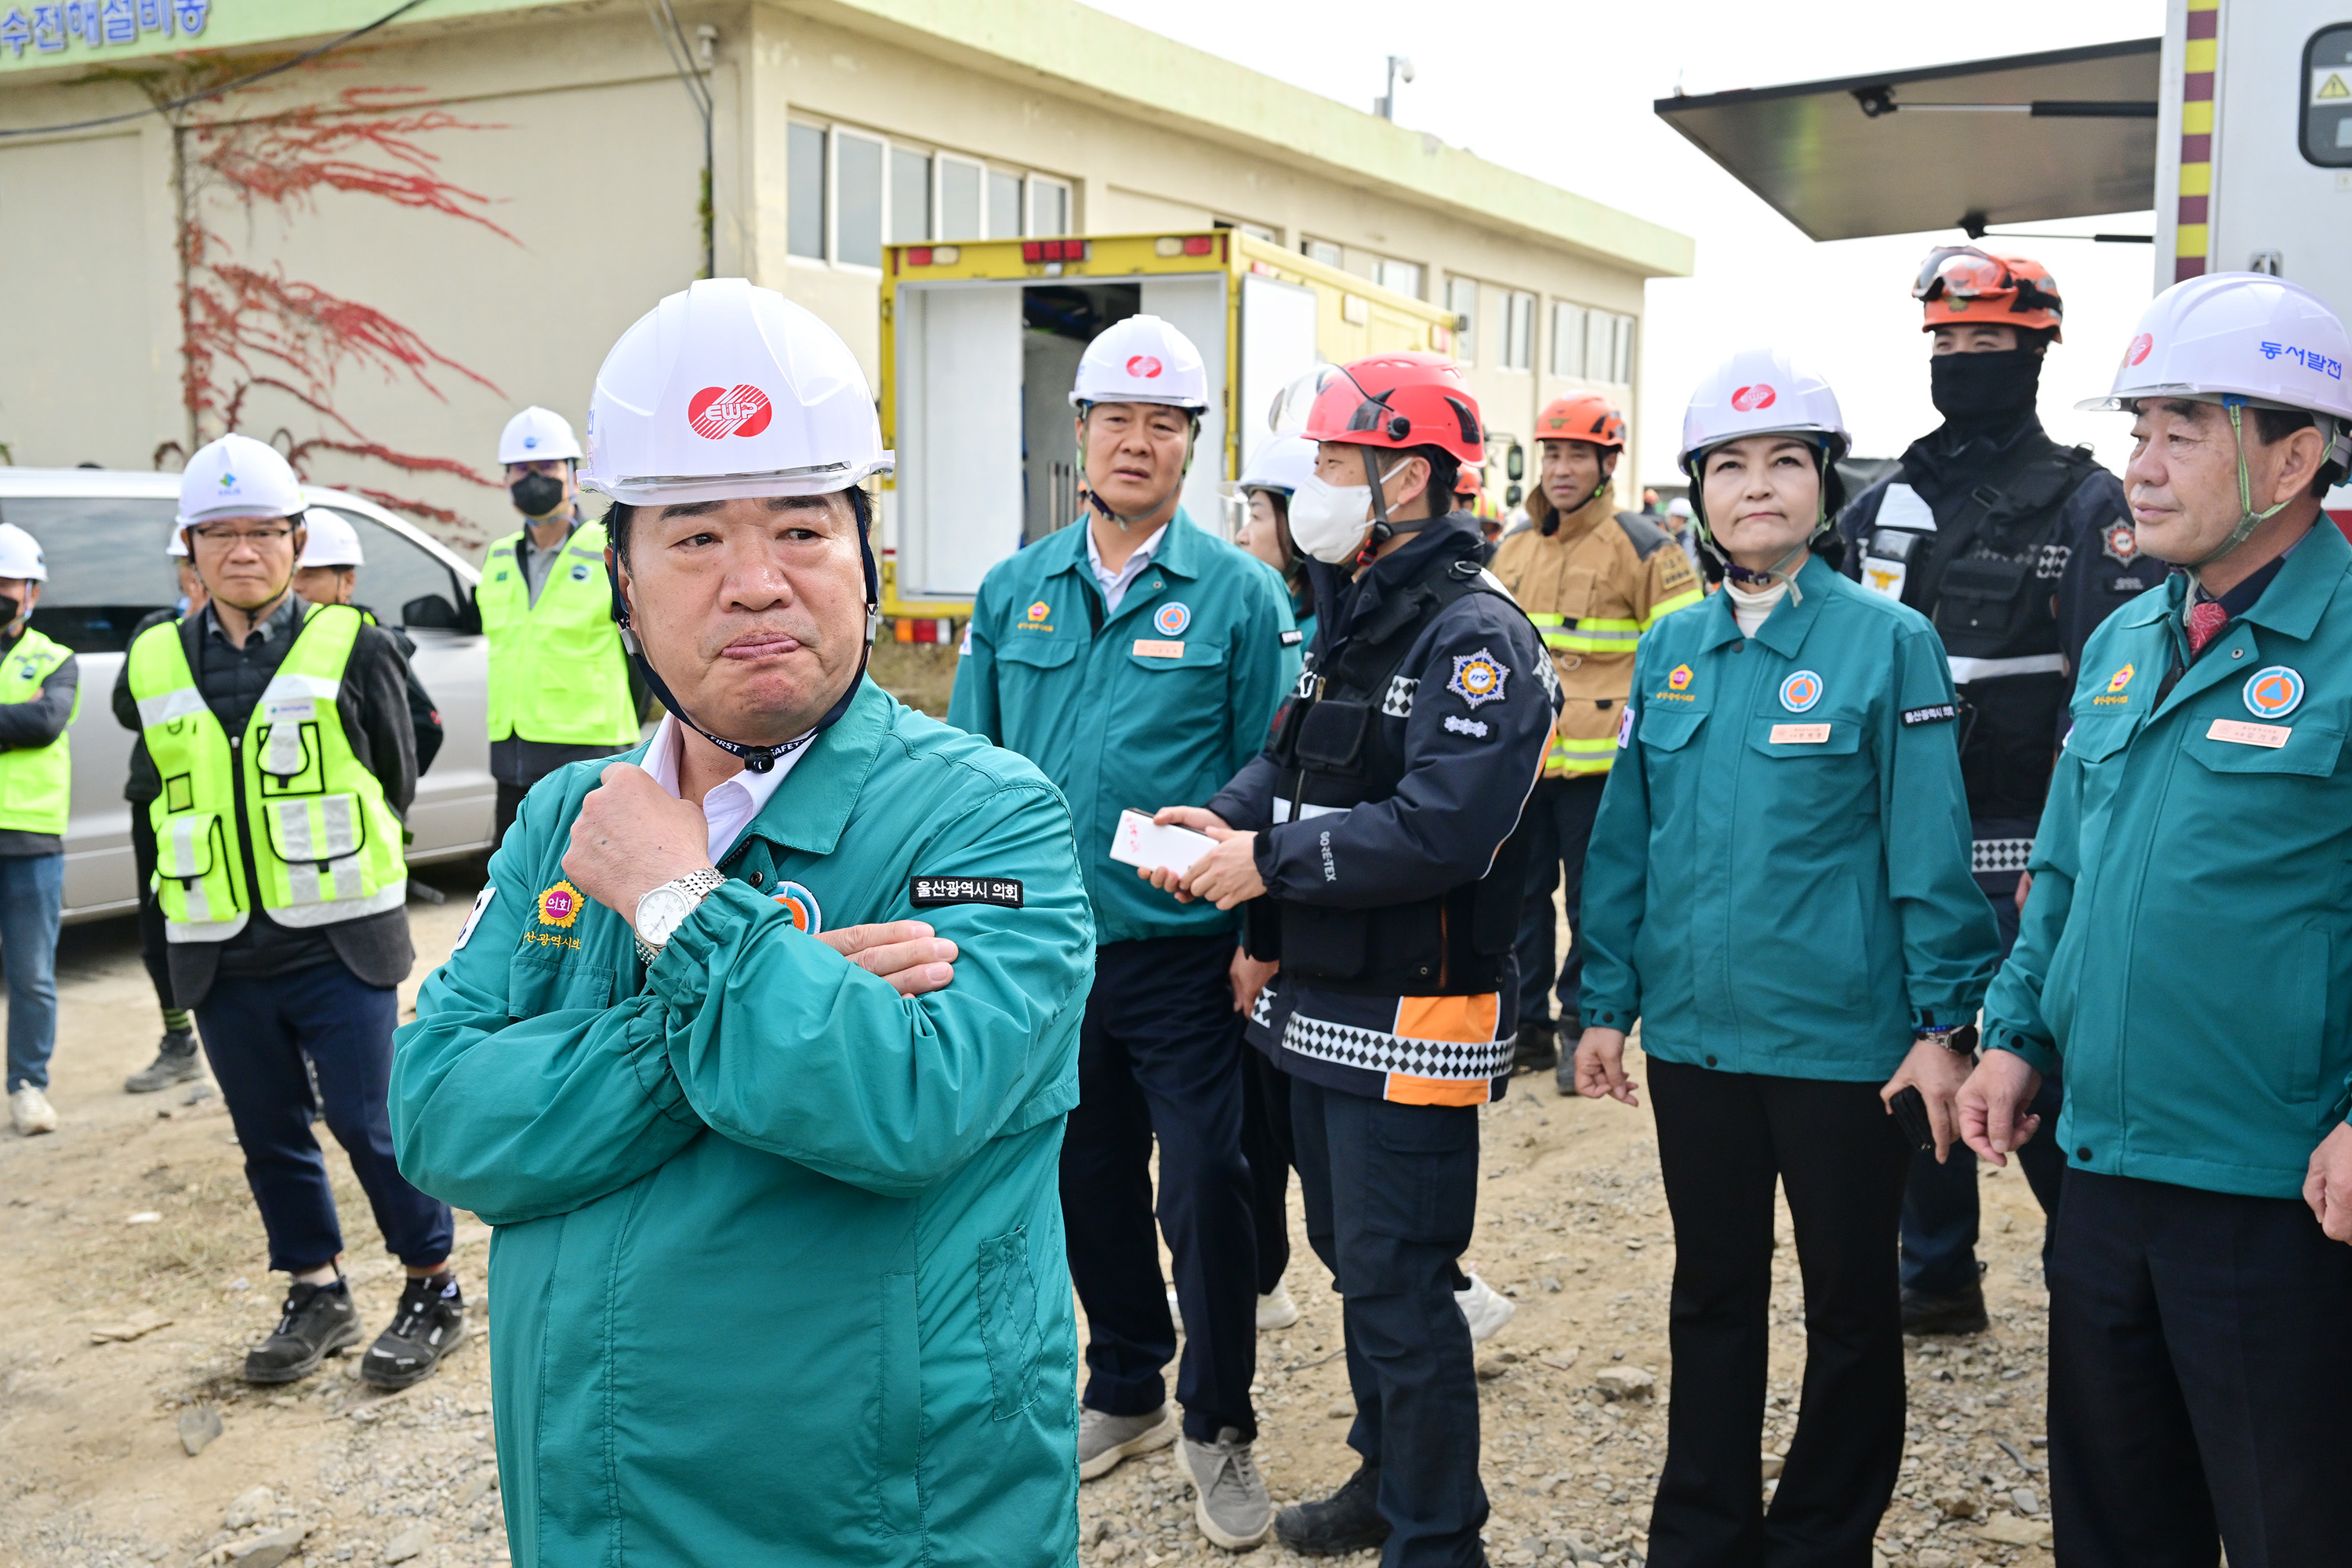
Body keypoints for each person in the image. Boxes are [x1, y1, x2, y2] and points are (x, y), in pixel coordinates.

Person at [391, 278, 1094, 1567]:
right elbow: (438, 1114)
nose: (757, 583)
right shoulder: (566, 816)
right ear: (626, 582)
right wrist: (742, 1008)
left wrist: (679, 906)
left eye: (802, 531)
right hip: (599, 1511)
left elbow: (900, 1106)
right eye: (698, 537)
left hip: (885, 1526)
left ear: (866, 567)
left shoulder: (988, 817)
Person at [1573, 347, 2001, 1568]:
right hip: (1700, 1045)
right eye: (1730, 466)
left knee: (1853, 1311)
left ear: (1824, 485)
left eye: (1784, 464)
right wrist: (1605, 1000)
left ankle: (1821, 1539)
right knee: (1711, 1295)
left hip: (1844, 1049)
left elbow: (1929, 850)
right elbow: (1626, 842)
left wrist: (1942, 1030)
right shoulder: (1669, 649)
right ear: (1698, 490)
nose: (1756, 487)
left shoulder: (1889, 642)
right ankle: (1701, 1535)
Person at [1961, 273, 2352, 1568]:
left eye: (2185, 428)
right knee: (2120, 1528)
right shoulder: (2132, 635)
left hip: (2277, 1191)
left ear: (2294, 456)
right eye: (2138, 430)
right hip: (2106, 1170)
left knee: (2294, 1524)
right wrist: (2015, 1035)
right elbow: (2063, 870)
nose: (2142, 463)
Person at [1146, 351, 1560, 1565]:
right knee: (1353, 1262)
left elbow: (1445, 825)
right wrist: (1219, 818)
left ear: (1410, 478)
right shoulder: (1360, 611)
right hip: (1321, 1011)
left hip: (1417, 1014)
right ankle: (1390, 1481)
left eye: (1334, 463)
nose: (1312, 487)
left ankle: (1438, 1541)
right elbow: (1295, 759)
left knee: (1399, 1284)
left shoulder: (1477, 638)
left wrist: (1266, 861)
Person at [948, 313, 1295, 1551]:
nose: (1137, 443)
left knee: (1207, 1182)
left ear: (1192, 446)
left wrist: (1264, 931)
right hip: (1049, 958)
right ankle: (1130, 1387)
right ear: (1080, 435)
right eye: (1116, 421)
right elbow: (973, 772)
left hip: (1184, 958)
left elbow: (1274, 770)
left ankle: (1220, 1421)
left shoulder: (1242, 597)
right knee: (1080, 1178)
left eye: (1164, 424)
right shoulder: (1013, 591)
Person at [118, 433, 461, 1388]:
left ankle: (432, 1282)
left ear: (296, 540)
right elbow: (153, 798)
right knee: (268, 1130)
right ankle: (317, 1288)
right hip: (217, 945)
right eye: (218, 535)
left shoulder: (354, 642)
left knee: (368, 1121)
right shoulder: (150, 660)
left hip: (337, 939)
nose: (241, 552)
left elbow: (396, 772)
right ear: (189, 549)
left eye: (262, 532)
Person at [1838, 247, 2134, 1333]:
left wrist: (2073, 854)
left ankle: (2094, 1279)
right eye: (1946, 342)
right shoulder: (1887, 500)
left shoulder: (2085, 502)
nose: (1963, 361)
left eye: (1989, 342)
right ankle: (1938, 1272)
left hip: (2024, 844)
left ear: (2038, 350)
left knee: (2036, 1065)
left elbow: (2106, 692)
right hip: (1908, 846)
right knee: (1920, 1055)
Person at [1490, 393, 1700, 1085]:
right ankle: (1525, 1030)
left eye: (1578, 454)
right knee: (1519, 899)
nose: (1561, 468)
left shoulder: (1646, 548)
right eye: (1552, 453)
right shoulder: (1512, 547)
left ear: (1608, 463)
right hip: (1523, 767)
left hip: (1602, 770)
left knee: (1592, 905)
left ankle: (1583, 1023)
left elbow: (1686, 658)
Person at [1230, 428, 1319, 1333]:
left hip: (1289, 907)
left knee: (1298, 1130)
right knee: (1264, 1119)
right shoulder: (1280, 608)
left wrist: (1264, 938)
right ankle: (1263, 1276)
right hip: (1260, 893)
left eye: (1259, 510)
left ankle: (1447, 1286)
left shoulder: (1318, 629)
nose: (1248, 526)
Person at [482, 405, 640, 846]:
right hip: (511, 753)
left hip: (588, 751)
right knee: (515, 886)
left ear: (574, 474)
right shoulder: (496, 557)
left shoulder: (608, 550)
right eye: (521, 469)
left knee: (585, 891)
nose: (534, 478)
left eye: (547, 466)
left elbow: (641, 651)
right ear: (505, 480)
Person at [122, 530, 207, 1094]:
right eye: (186, 562)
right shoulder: (157, 630)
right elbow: (128, 704)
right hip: (154, 794)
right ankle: (179, 1041)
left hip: (218, 801)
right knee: (158, 932)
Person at [0, 523, 74, 1136]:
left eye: (7, 583)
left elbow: (46, 722)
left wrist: (23, 722)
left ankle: (28, 1086)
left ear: (32, 592)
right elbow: (23, 721)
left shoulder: (54, 658)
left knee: (31, 976)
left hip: (30, 840)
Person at [293, 509, 445, 775]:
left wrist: (380, 794)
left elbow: (425, 729)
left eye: (309, 576)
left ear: (348, 581)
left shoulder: (371, 645)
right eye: (292, 575)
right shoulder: (278, 638)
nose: (296, 587)